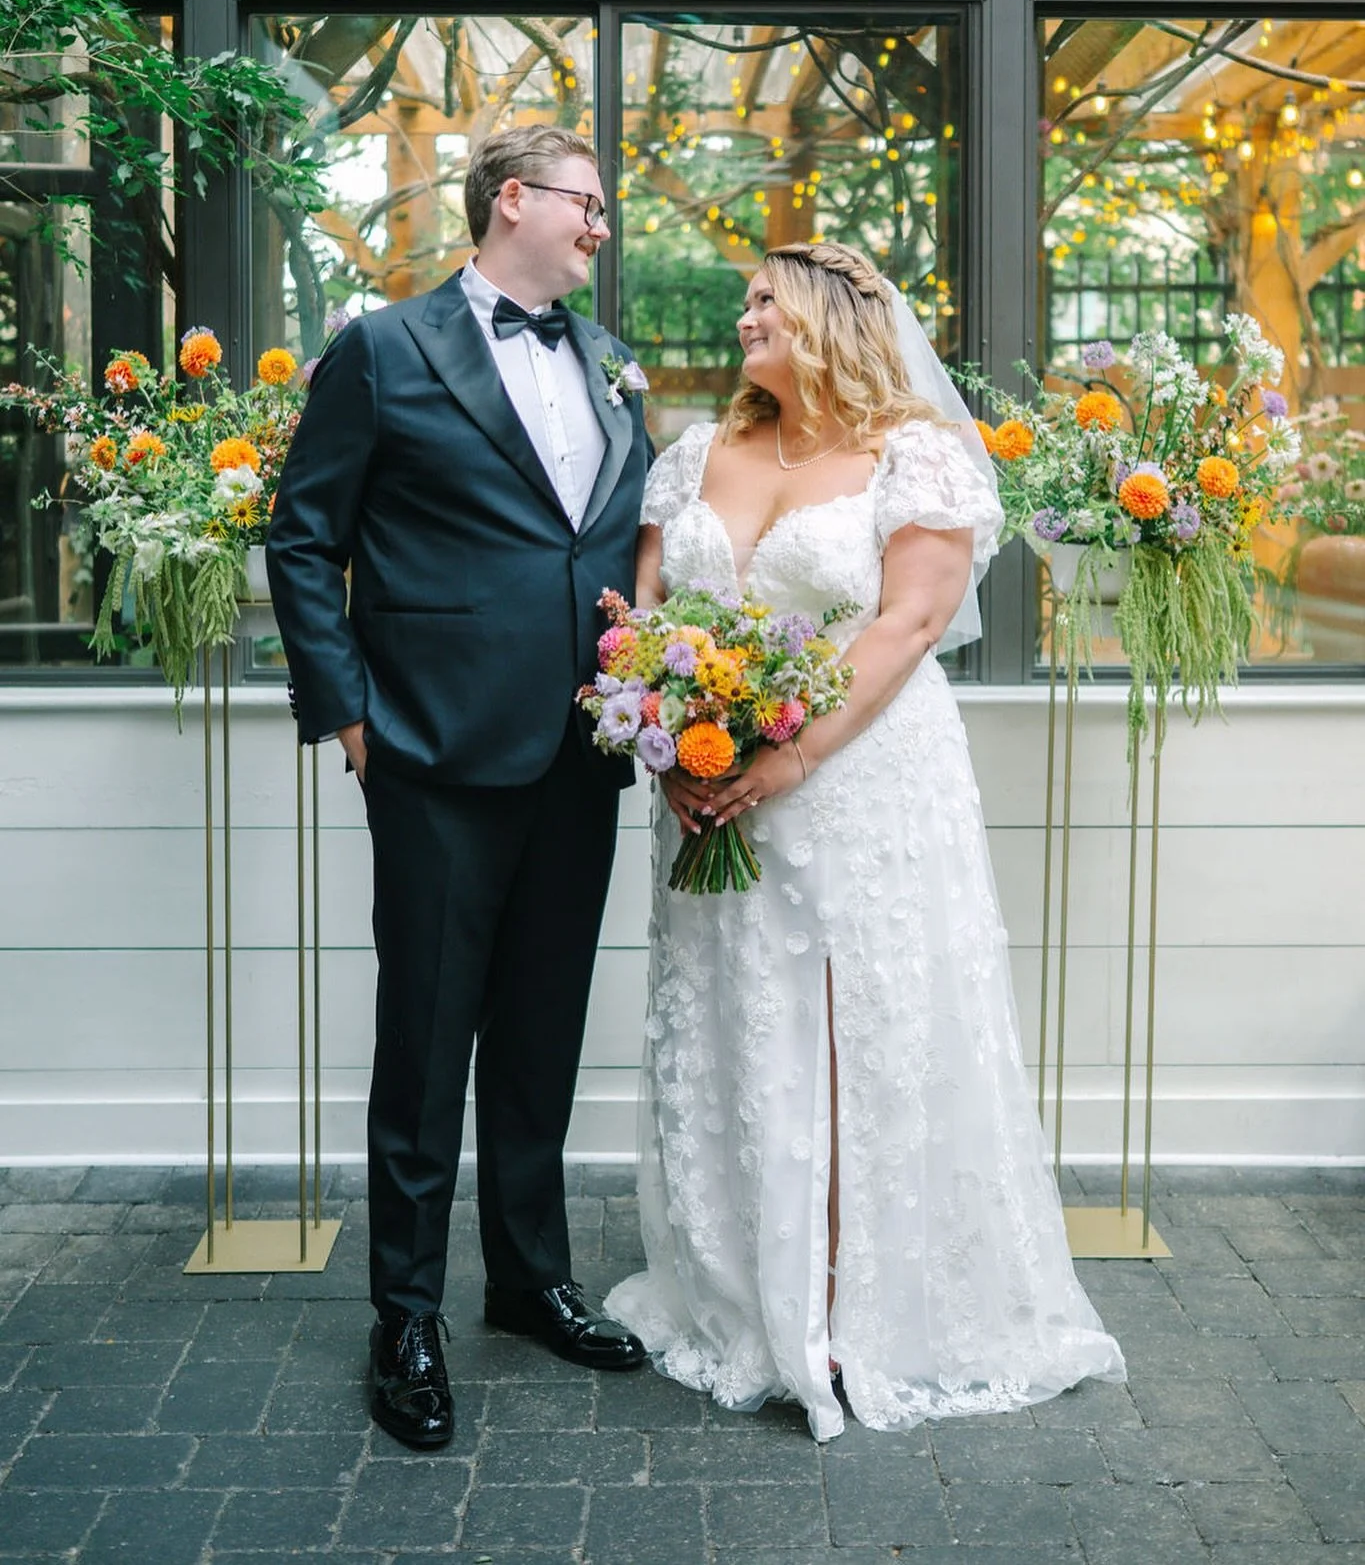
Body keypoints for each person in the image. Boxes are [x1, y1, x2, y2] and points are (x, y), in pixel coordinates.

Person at [604, 241, 1125, 1441]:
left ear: (830, 321)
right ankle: (744, 1288)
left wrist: (788, 757)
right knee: (732, 1016)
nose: (745, 316)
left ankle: (854, 1307)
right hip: (710, 781)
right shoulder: (695, 454)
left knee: (858, 1026)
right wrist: (673, 746)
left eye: (765, 301)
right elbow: (646, 615)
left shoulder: (915, 455)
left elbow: (907, 624)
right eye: (745, 300)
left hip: (862, 778)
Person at [267, 125, 652, 1452]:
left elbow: (603, 544)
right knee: (427, 1044)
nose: (601, 225)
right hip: (430, 752)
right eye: (586, 202)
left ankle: (530, 1282)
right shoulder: (385, 348)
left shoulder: (610, 361)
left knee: (541, 1031)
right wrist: (349, 715)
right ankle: (407, 1317)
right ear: (512, 201)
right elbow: (305, 536)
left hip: (582, 751)